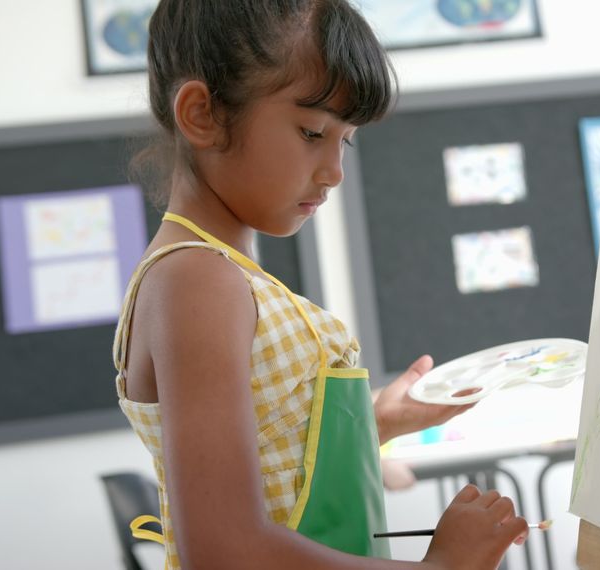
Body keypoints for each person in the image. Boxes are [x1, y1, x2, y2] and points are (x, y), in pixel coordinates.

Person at [110, 1, 529, 568]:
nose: (334, 170)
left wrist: (375, 422)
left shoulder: (222, 275)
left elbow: (274, 462)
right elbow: (224, 549)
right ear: (203, 114)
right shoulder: (196, 279)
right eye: (312, 132)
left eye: (345, 140)